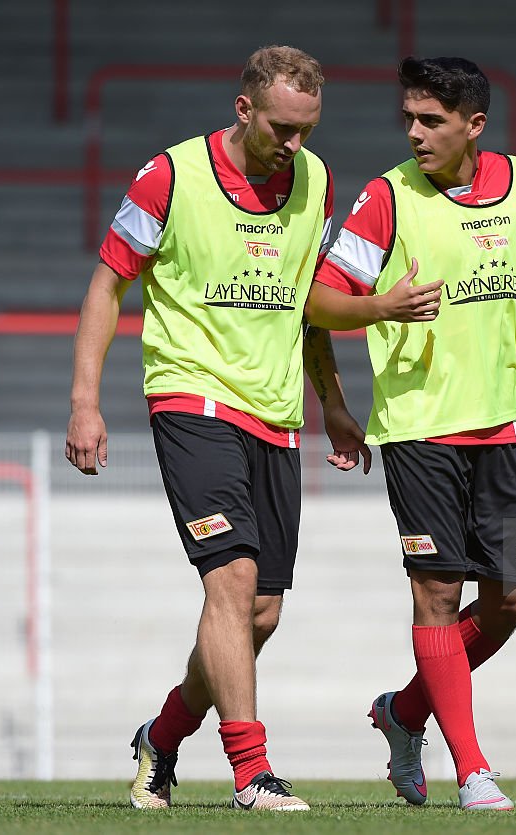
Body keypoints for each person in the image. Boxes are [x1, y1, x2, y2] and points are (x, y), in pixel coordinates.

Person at [305, 56, 516, 811]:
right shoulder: (387, 197)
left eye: (432, 120)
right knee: (437, 591)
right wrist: (381, 307)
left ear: (474, 125)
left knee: (514, 598)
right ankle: (474, 769)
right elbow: (320, 301)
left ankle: (405, 709)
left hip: (502, 428)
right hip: (420, 428)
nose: (414, 133)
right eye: (409, 119)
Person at [65, 44, 370, 813]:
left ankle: (161, 737)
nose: (294, 145)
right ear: (244, 110)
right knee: (230, 581)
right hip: (190, 398)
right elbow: (108, 283)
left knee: (259, 611)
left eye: (307, 129)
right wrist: (84, 401)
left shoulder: (318, 180)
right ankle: (251, 770)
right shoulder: (170, 176)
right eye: (281, 128)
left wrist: (330, 398)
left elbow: (307, 302)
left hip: (276, 414)